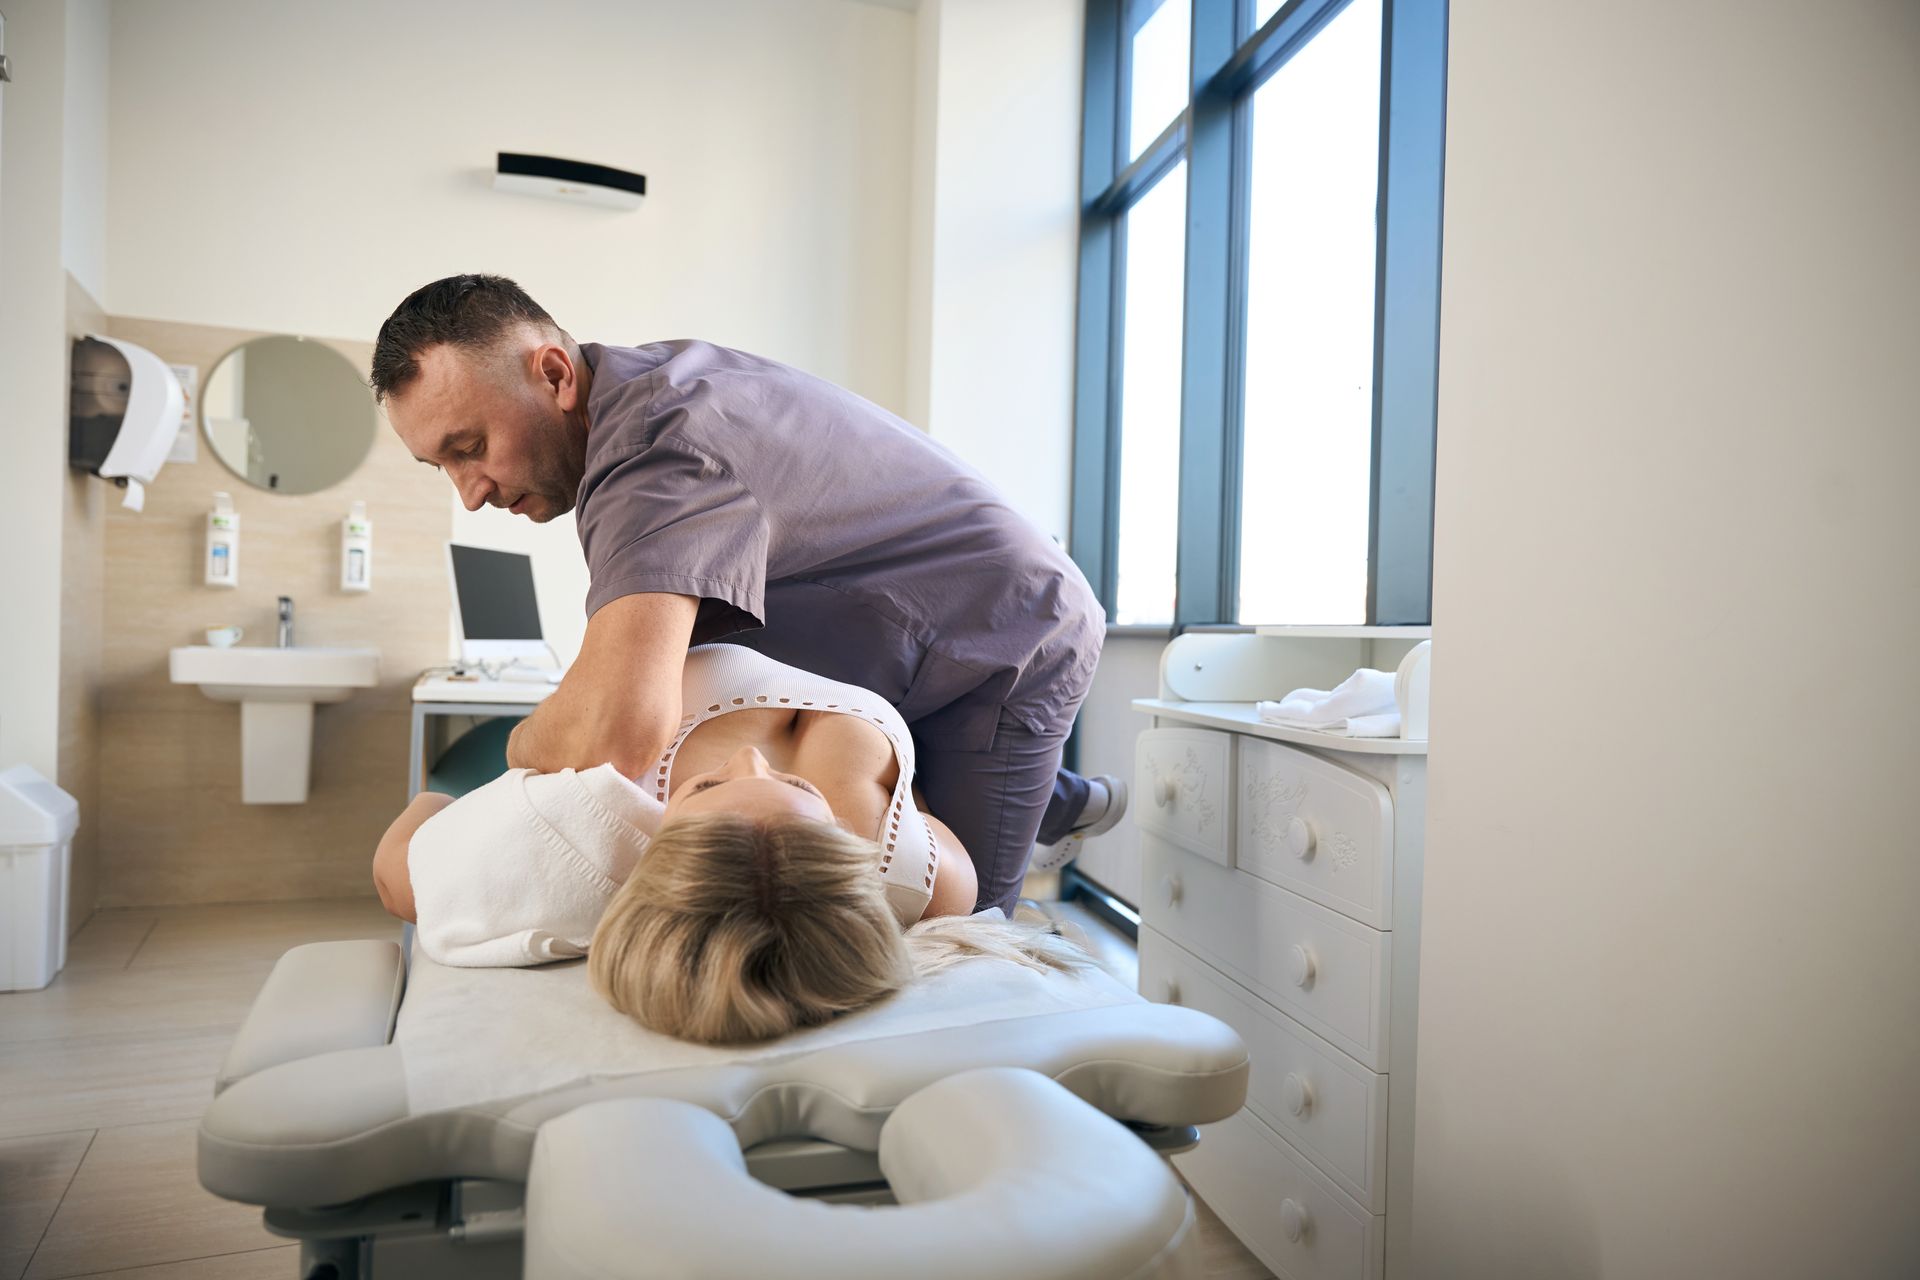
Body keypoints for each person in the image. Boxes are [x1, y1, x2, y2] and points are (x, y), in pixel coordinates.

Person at [370, 275, 1125, 915]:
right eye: (441, 466)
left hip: (1004, 636)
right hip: (884, 620)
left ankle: (1037, 794)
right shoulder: (636, 394)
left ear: (556, 376)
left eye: (470, 448)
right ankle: (1059, 798)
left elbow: (615, 733)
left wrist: (519, 745)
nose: (469, 493)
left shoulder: (656, 454)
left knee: (957, 933)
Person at [372, 645, 1085, 1043]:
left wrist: (466, 806)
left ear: (650, 853)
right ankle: (1073, 803)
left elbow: (399, 864)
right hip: (900, 654)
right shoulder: (918, 878)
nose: (749, 762)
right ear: (847, 857)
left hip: (730, 609)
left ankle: (1074, 801)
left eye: (706, 789)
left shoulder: (584, 831)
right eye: (799, 792)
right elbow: (928, 802)